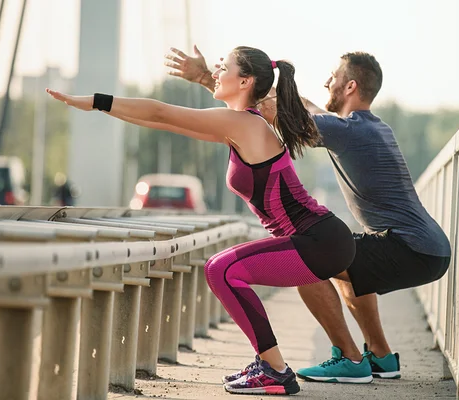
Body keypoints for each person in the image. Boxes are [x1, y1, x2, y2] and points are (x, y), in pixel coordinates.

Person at [47, 46, 358, 395]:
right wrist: (106, 111)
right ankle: (272, 366)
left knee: (221, 270)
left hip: (319, 239)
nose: (215, 72)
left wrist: (95, 101)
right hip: (321, 240)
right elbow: (158, 119)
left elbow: (161, 111)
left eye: (222, 67)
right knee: (222, 269)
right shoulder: (239, 125)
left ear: (245, 81)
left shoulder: (242, 123)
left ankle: (275, 370)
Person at [166, 46, 451, 383]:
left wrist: (205, 78)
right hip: (426, 247)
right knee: (343, 261)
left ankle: (350, 358)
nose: (326, 81)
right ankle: (381, 356)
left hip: (414, 247)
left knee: (311, 259)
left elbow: (262, 112)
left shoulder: (348, 131)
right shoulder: (366, 126)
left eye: (334, 77)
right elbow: (300, 107)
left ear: (350, 87)